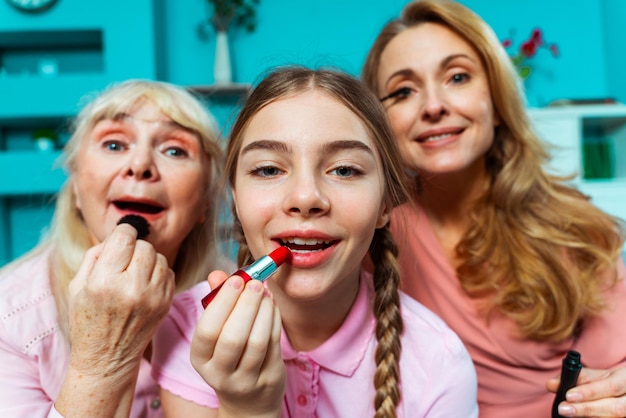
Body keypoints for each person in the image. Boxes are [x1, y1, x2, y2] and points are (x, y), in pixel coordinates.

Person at [150, 66, 479, 417]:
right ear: (236, 199)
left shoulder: (439, 363)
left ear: (385, 204)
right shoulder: (188, 322)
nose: (306, 197)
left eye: (344, 170)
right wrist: (246, 408)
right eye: (269, 170)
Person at [361, 1, 626, 417]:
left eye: (458, 77)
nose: (433, 106)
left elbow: (613, 373)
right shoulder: (365, 231)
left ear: (497, 101)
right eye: (403, 91)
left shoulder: (573, 225)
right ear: (380, 122)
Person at [0, 79, 229, 417]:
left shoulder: (239, 298)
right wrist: (102, 361)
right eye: (114, 145)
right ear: (76, 186)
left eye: (175, 150)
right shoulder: (11, 318)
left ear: (206, 203)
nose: (140, 165)